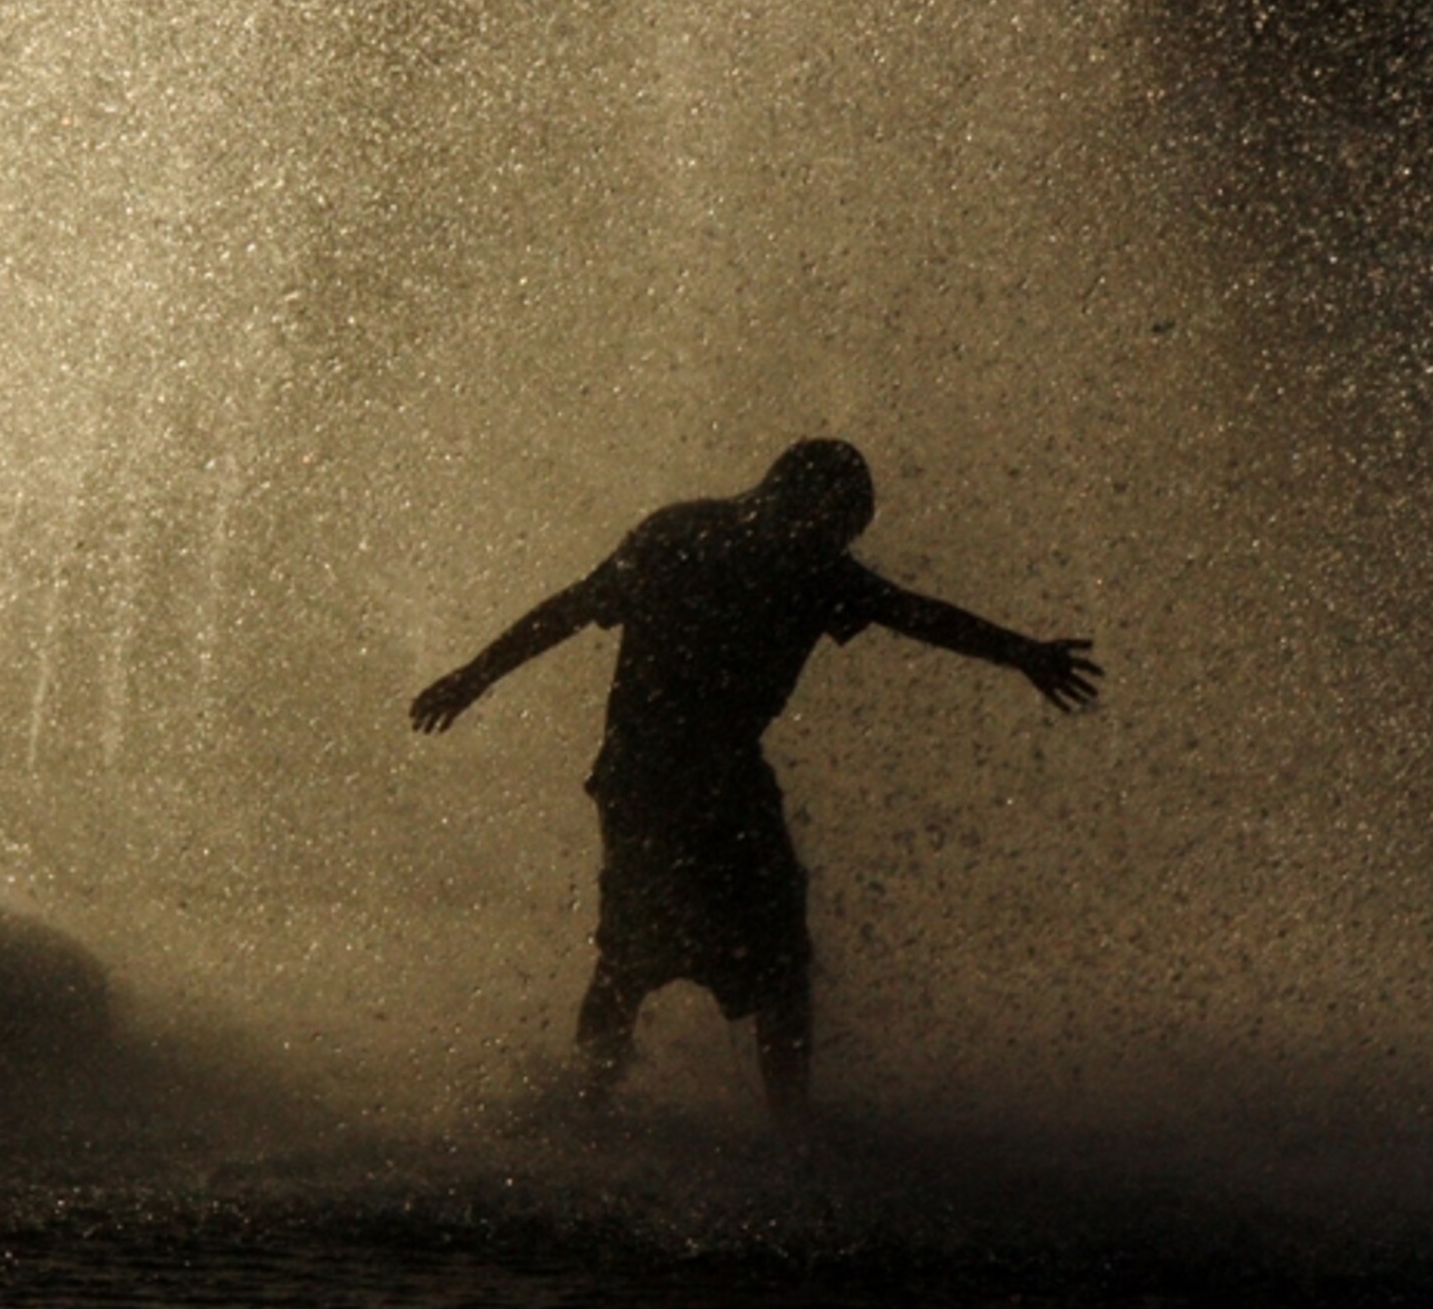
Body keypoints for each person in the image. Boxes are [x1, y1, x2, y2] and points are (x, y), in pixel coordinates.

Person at [409, 438, 1099, 1122]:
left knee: (661, 957)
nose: (840, 538)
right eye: (840, 522)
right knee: (725, 963)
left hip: (663, 777)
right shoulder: (778, 557)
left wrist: (476, 676)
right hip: (685, 783)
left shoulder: (691, 534)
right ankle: (749, 1127)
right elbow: (911, 612)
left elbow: (570, 608)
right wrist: (1021, 654)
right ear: (803, 501)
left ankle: (618, 1111)